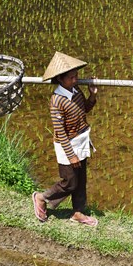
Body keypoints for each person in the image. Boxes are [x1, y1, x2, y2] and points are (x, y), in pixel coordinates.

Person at [32, 51, 99, 226]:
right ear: (60, 79)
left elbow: (84, 109)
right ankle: (41, 198)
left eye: (76, 75)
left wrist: (92, 95)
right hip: (66, 145)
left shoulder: (76, 90)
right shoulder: (56, 100)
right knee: (69, 182)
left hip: (81, 140)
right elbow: (60, 132)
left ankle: (77, 212)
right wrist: (71, 155)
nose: (75, 80)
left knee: (81, 180)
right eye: (71, 77)